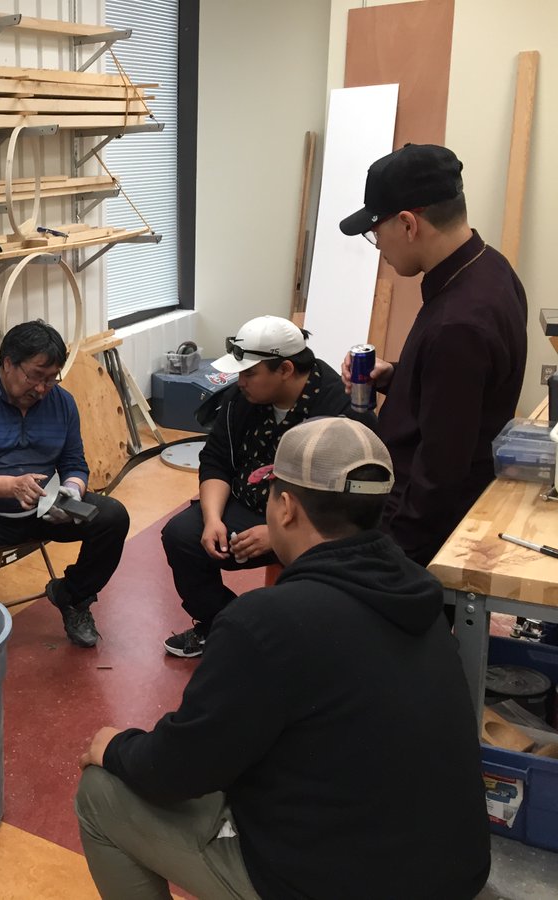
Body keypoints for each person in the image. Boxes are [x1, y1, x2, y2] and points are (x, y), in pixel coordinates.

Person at [76, 417, 490, 900]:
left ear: (287, 508)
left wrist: (118, 747)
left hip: (336, 883)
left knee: (101, 794)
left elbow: (177, 771)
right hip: (452, 872)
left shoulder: (267, 622)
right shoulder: (419, 594)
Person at [339, 143, 527, 566]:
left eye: (375, 232)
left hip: (419, 530)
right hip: (433, 512)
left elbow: (440, 472)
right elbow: (461, 390)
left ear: (407, 224)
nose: (378, 248)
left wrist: (389, 562)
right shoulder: (491, 269)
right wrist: (393, 376)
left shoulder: (456, 322)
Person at [161, 315, 368, 657]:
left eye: (249, 373)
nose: (240, 382)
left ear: (285, 369)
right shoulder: (242, 399)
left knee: (313, 566)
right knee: (181, 535)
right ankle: (223, 626)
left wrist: (278, 533)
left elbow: (349, 501)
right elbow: (216, 460)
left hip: (312, 523)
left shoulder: (338, 409)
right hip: (250, 503)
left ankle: (299, 645)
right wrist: (213, 519)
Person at [0, 320, 129, 648]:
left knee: (112, 517)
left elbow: (74, 464)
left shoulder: (61, 403)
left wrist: (71, 491)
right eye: (36, 375)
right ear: (8, 363)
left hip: (42, 507)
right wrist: (10, 486)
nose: (42, 387)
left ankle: (73, 595)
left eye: (51, 378)